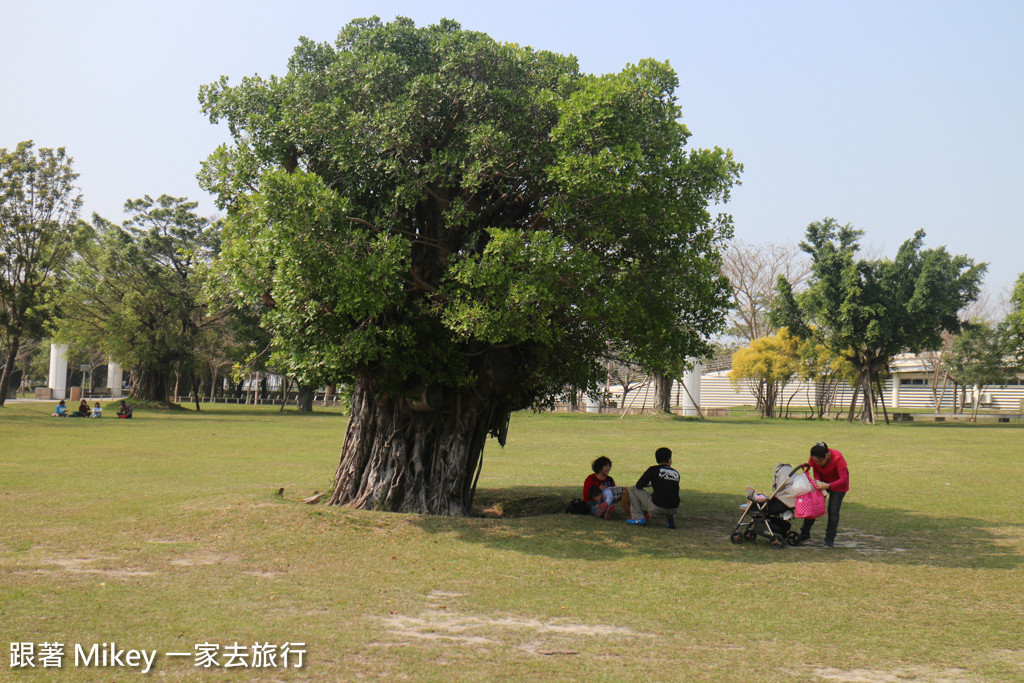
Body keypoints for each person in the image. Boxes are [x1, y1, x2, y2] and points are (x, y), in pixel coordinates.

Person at [799, 441, 850, 547]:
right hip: (822, 484)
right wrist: (817, 481)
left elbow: (844, 479)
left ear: (826, 455)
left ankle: (829, 539)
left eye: (820, 461)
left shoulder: (837, 457)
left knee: (833, 511)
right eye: (815, 461)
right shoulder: (814, 459)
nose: (818, 464)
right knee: (812, 506)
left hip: (838, 485)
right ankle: (805, 533)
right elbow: (816, 470)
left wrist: (828, 486)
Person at [627, 447, 680, 528]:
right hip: (674, 508)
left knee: (633, 489)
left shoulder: (653, 469)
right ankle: (670, 521)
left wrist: (650, 484)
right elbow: (669, 486)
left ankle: (638, 518)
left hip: (657, 507)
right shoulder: (676, 473)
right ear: (669, 460)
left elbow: (639, 485)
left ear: (657, 460)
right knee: (670, 494)